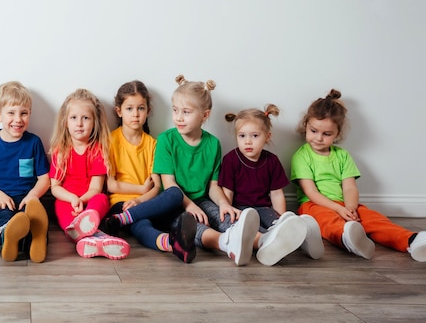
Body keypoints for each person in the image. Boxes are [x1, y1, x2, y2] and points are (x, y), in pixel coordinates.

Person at [291, 89, 426, 261]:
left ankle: (411, 240)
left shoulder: (342, 155)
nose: (318, 138)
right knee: (328, 222)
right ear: (306, 126)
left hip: (344, 204)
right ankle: (348, 238)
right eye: (314, 131)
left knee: (374, 219)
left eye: (327, 134)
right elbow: (311, 192)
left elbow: (349, 187)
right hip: (313, 205)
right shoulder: (301, 156)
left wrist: (350, 207)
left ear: (337, 134)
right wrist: (338, 209)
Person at [153, 74, 260, 266]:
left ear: (205, 115)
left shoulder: (213, 144)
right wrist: (189, 205)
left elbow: (213, 185)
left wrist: (224, 204)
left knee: (223, 215)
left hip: (202, 199)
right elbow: (169, 185)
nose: (178, 117)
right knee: (191, 225)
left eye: (186, 112)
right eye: (175, 110)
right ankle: (226, 243)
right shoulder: (166, 140)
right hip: (172, 203)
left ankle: (264, 242)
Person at [100, 80, 196, 263]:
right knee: (141, 225)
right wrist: (140, 191)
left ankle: (123, 221)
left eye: (140, 108)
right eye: (129, 109)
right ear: (119, 111)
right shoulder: (110, 140)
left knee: (175, 193)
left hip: (145, 203)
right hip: (120, 203)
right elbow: (111, 185)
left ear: (148, 111)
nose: (135, 114)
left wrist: (140, 200)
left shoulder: (153, 144)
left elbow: (157, 186)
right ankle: (170, 242)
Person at [219, 104, 323, 265]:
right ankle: (274, 243)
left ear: (267, 136)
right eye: (242, 136)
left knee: (275, 225)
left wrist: (282, 218)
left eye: (254, 136)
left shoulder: (271, 161)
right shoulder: (231, 160)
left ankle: (302, 236)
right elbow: (228, 192)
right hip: (240, 210)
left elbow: (276, 193)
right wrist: (228, 211)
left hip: (264, 208)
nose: (248, 141)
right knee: (254, 231)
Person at [0, 81, 50, 263]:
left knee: (36, 220)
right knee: (1, 219)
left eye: (24, 113)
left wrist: (33, 195)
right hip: (0, 199)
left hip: (27, 199)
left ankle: (36, 240)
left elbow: (44, 178)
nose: (18, 119)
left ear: (30, 114)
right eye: (11, 113)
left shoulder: (33, 142)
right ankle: (8, 236)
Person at [50, 88, 129, 260]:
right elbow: (55, 187)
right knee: (60, 207)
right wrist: (72, 199)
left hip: (90, 201)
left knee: (101, 198)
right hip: (68, 201)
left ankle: (86, 230)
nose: (79, 123)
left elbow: (96, 188)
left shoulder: (98, 150)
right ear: (65, 122)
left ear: (94, 122)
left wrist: (83, 202)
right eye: (74, 118)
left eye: (85, 118)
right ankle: (96, 238)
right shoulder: (60, 150)